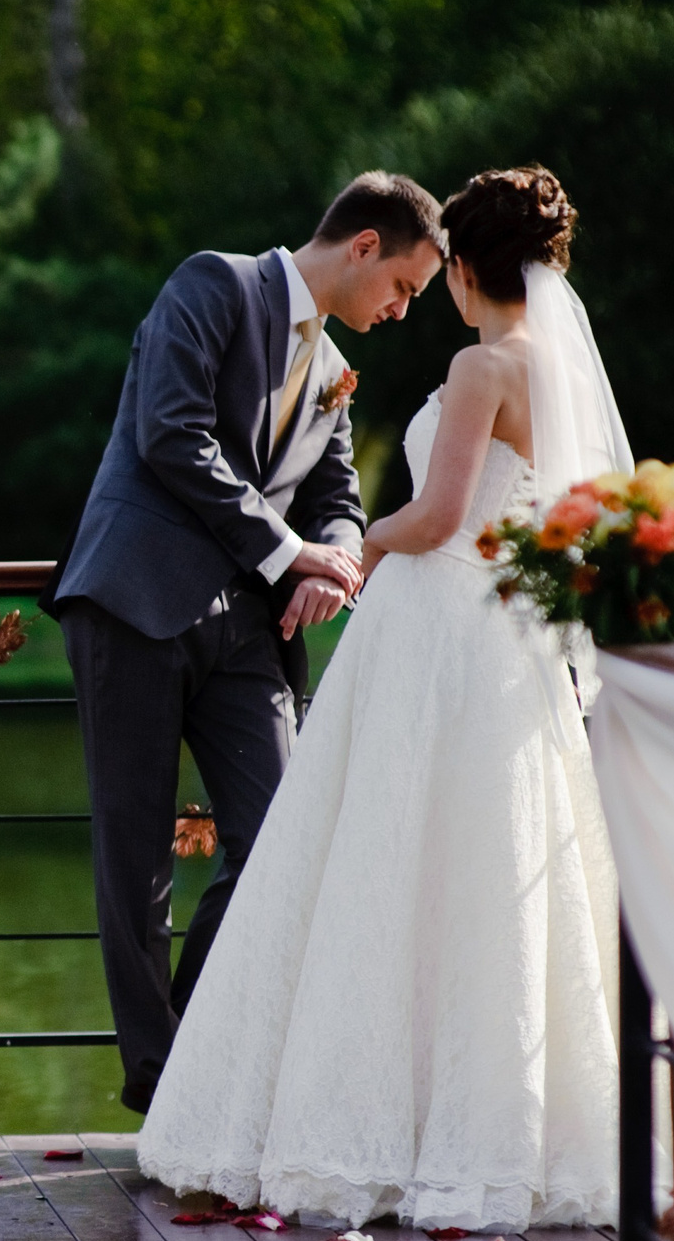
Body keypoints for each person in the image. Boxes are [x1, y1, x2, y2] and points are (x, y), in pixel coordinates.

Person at [135, 166, 634, 1231]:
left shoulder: (481, 366)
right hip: (507, 640)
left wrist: (351, 548)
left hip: (434, 636)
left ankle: (379, 1123)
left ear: (460, 268)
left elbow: (442, 513)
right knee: (491, 876)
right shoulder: (565, 377)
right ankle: (499, 1124)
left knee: (391, 863)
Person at [51, 172, 445, 1115]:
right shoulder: (214, 285)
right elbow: (171, 435)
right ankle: (160, 1086)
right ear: (361, 246)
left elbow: (340, 501)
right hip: (136, 604)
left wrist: (336, 560)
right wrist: (289, 551)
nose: (399, 312)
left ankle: (191, 1057)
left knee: (279, 840)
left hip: (250, 636)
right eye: (403, 287)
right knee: (136, 858)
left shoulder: (334, 371)